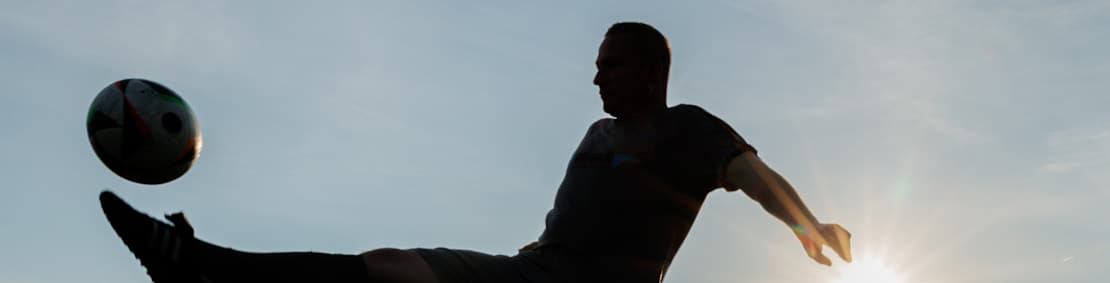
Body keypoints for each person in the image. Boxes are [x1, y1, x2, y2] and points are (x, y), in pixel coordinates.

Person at [100, 22, 852, 283]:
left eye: (611, 65)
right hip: (529, 269)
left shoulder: (686, 127)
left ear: (651, 70)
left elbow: (753, 173)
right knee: (390, 265)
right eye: (596, 65)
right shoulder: (596, 135)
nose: (597, 76)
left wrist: (807, 224)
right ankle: (200, 263)